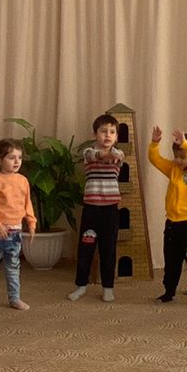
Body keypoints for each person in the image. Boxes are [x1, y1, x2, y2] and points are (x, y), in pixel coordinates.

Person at [147, 125, 187, 306]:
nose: (178, 160)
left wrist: (186, 145)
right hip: (172, 225)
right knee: (171, 262)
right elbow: (155, 159)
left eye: (183, 156)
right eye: (176, 156)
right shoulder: (173, 169)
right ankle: (169, 292)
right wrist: (154, 143)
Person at [67, 114, 124, 303]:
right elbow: (96, 156)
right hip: (91, 211)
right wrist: (104, 155)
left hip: (110, 211)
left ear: (116, 137)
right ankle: (81, 285)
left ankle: (108, 288)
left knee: (108, 250)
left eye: (112, 132)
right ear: (95, 134)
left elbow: (114, 158)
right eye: (103, 131)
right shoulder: (88, 153)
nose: (108, 135)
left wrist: (111, 155)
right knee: (86, 248)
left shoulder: (119, 154)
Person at [0, 139, 36, 315]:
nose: (16, 161)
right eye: (11, 157)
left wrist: (31, 222)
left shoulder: (23, 181)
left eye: (19, 157)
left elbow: (27, 203)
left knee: (13, 267)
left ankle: (14, 298)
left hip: (15, 232)